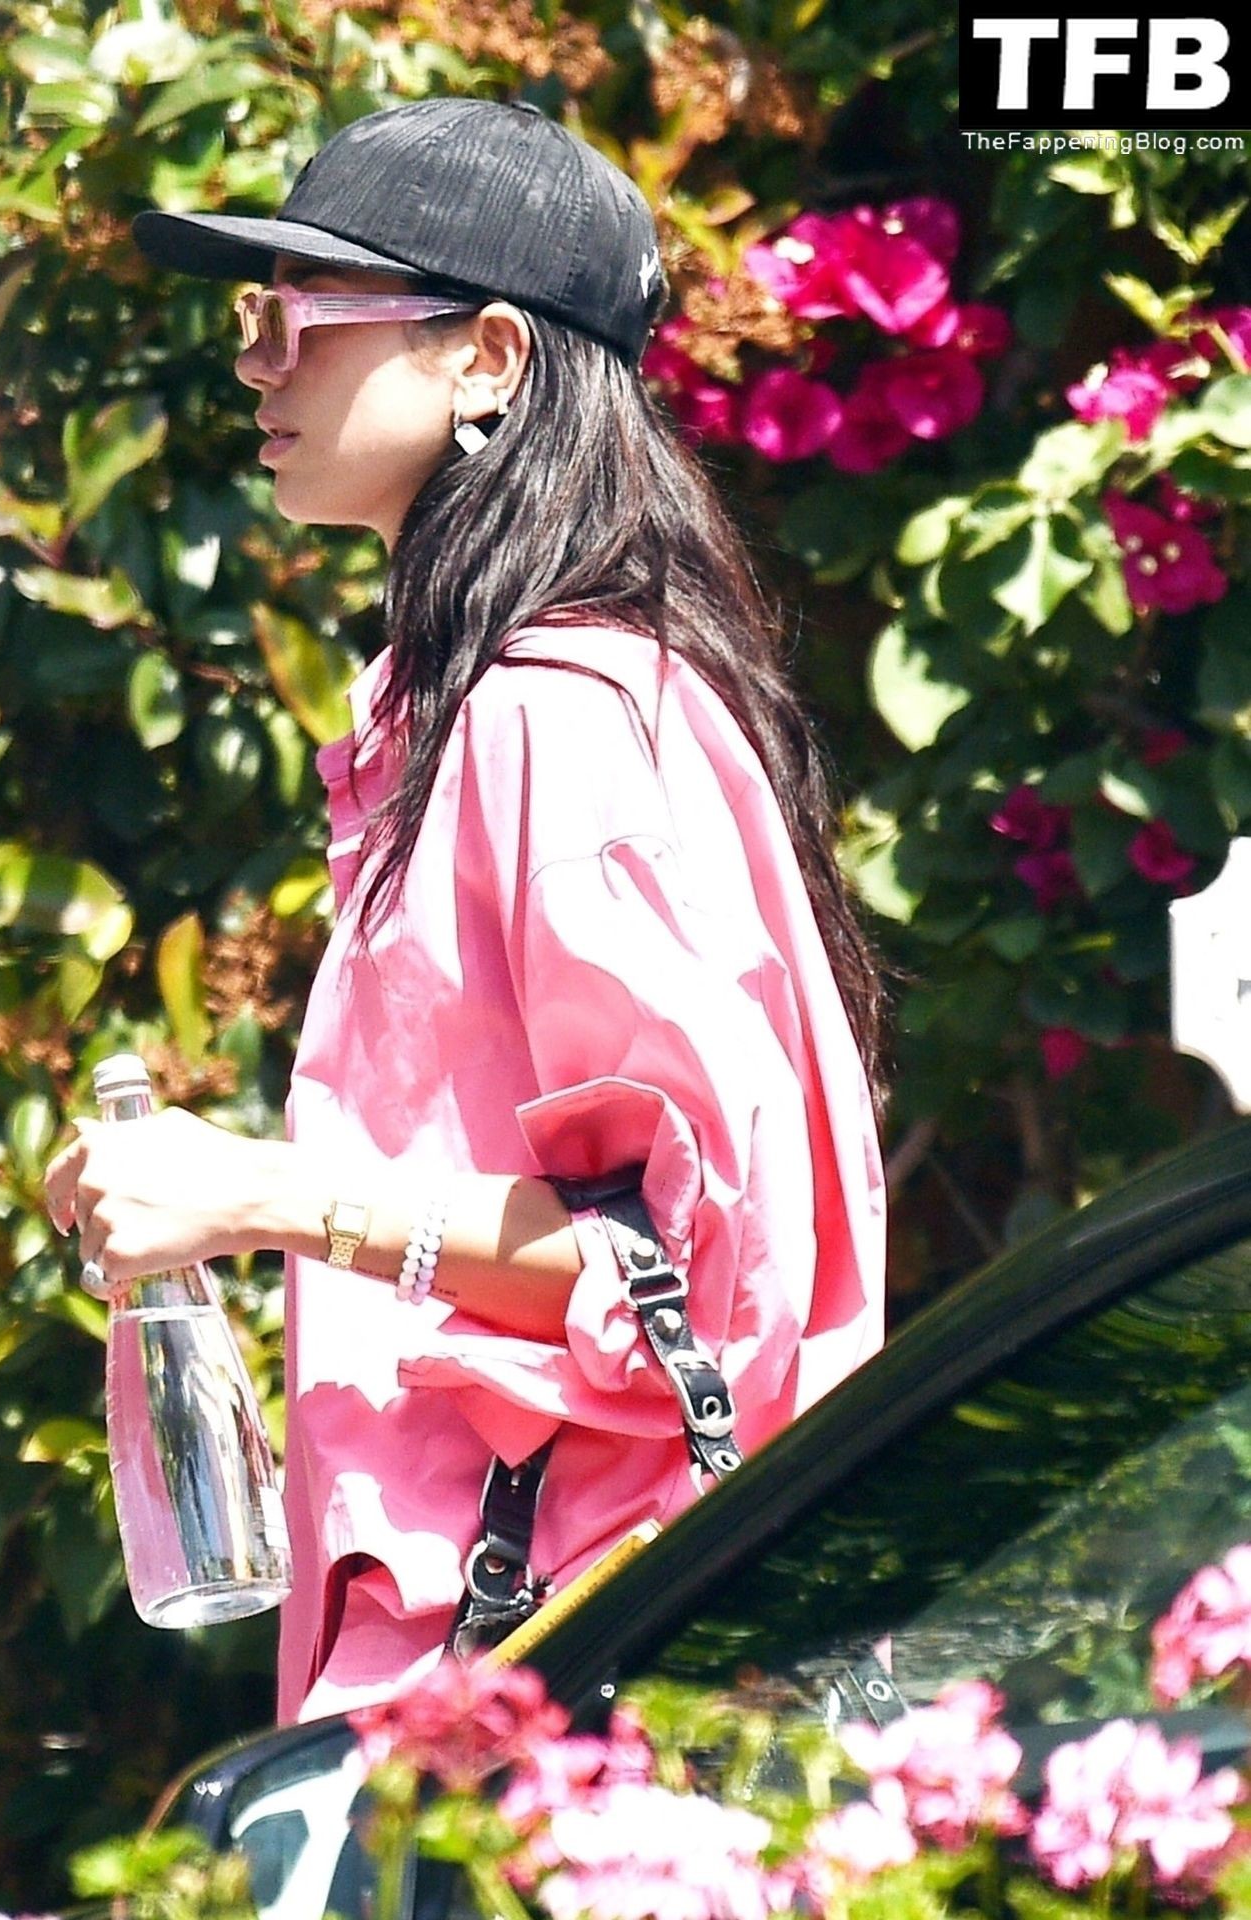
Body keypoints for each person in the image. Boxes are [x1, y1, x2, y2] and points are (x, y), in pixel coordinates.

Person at [44, 96, 887, 1725]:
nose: (255, 368)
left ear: (489, 357)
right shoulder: (489, 711)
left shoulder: (550, 720)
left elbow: (683, 1280)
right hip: (516, 1659)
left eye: (298, 319)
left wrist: (262, 1195)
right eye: (249, 320)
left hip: (564, 1686)